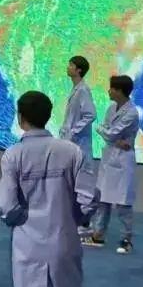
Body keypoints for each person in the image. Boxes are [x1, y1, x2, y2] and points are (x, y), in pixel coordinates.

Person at [0, 91, 98, 287]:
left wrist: (21, 220)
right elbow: (88, 199)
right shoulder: (71, 152)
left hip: (28, 247)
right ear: (49, 115)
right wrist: (73, 218)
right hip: (64, 241)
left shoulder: (13, 156)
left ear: (21, 118)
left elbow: (6, 206)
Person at [82, 75, 140, 254]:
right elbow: (110, 134)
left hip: (123, 160)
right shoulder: (111, 108)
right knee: (103, 199)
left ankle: (126, 239)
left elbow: (110, 133)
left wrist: (103, 130)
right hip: (109, 158)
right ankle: (98, 235)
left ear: (120, 91)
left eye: (112, 88)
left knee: (123, 204)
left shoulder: (131, 112)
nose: (109, 91)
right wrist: (109, 134)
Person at [58, 56, 96, 235]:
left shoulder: (83, 90)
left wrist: (73, 131)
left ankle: (85, 222)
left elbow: (90, 115)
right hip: (71, 142)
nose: (68, 67)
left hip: (79, 143)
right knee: (72, 181)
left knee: (82, 182)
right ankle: (76, 218)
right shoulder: (76, 89)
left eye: (71, 65)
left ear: (79, 69)